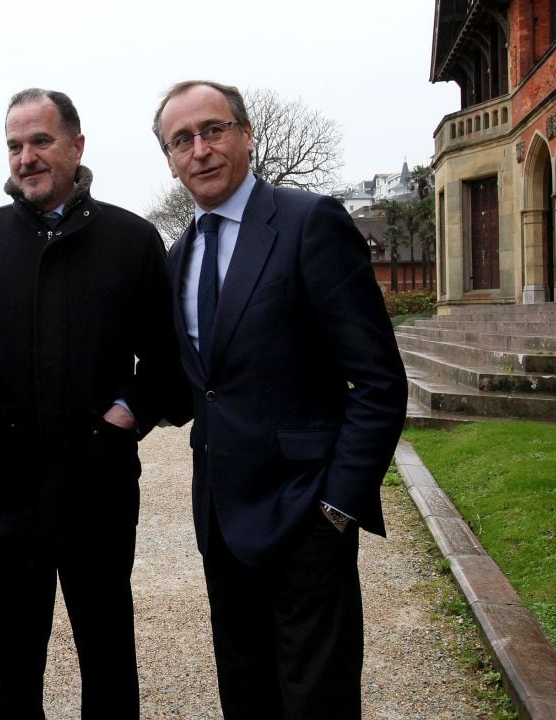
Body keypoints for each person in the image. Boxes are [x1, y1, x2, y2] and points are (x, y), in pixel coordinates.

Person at [152, 80, 409, 719]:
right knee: (246, 698)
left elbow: (378, 381)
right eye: (181, 140)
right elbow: (197, 383)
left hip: (306, 519)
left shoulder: (308, 223)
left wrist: (338, 506)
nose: (200, 150)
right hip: (221, 521)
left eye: (213, 130)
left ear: (245, 134)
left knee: (315, 703)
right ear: (169, 157)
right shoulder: (178, 256)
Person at [0, 88, 186, 718]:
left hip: (97, 486)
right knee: (12, 669)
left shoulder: (132, 239)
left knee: (108, 657)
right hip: (3, 491)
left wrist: (126, 412)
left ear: (77, 145)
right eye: (15, 145)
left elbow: (168, 359)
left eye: (41, 141)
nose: (26, 157)